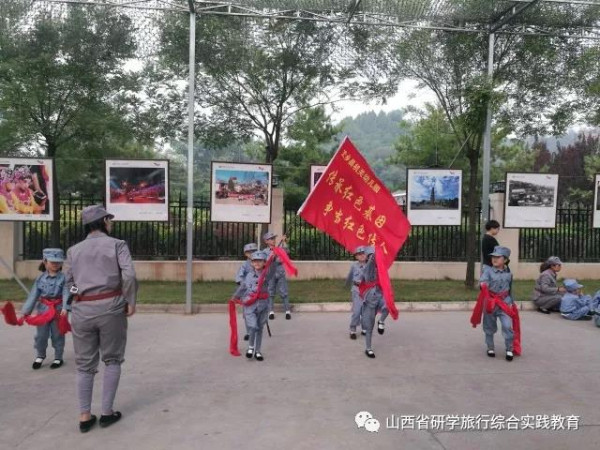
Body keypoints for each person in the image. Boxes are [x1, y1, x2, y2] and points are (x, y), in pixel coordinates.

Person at [63, 205, 137, 433]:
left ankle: (85, 416)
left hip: (82, 309)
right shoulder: (117, 245)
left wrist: (79, 291)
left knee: (85, 365)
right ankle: (106, 413)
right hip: (111, 306)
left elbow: (69, 282)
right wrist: (130, 299)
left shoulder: (73, 251)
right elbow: (129, 275)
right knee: (112, 359)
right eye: (109, 219)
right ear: (104, 221)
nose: (111, 223)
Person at [17, 248, 70, 370]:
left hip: (58, 310)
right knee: (41, 335)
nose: (56, 264)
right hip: (43, 311)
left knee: (58, 334)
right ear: (45, 262)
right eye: (52, 262)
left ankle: (58, 357)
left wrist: (66, 307)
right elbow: (33, 295)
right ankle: (40, 355)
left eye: (58, 262)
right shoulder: (40, 279)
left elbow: (67, 293)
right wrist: (25, 312)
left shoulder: (64, 278)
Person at [477, 246, 518, 361]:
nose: (494, 259)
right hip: (490, 303)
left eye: (498, 257)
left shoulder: (509, 273)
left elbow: (510, 289)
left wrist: (512, 303)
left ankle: (509, 349)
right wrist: (483, 285)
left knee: (507, 326)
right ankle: (490, 347)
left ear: (505, 260)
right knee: (489, 326)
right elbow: (483, 281)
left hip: (504, 303)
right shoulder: (487, 270)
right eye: (493, 257)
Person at [239, 250, 275, 361]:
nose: (257, 263)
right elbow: (243, 288)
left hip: (263, 305)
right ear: (251, 263)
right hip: (250, 304)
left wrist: (273, 257)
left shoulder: (266, 275)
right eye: (255, 261)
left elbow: (272, 269)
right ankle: (250, 347)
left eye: (260, 261)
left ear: (264, 262)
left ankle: (257, 351)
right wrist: (235, 297)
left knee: (260, 329)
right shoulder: (249, 275)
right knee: (253, 326)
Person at [359, 246, 389, 359]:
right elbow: (373, 261)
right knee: (369, 326)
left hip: (379, 294)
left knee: (388, 306)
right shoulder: (368, 267)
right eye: (370, 255)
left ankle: (381, 322)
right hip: (370, 298)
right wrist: (374, 255)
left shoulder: (379, 266)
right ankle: (368, 348)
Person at [263, 231, 291, 320]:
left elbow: (287, 252)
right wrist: (271, 256)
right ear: (266, 241)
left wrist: (284, 242)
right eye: (271, 239)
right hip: (270, 273)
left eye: (274, 238)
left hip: (280, 272)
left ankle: (287, 311)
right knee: (270, 292)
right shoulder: (264, 252)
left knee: (284, 291)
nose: (274, 240)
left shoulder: (280, 248)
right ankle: (271, 311)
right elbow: (265, 262)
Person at [234, 243, 258, 341]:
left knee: (258, 311)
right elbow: (239, 276)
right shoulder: (244, 265)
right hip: (247, 292)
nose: (252, 254)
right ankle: (249, 332)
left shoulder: (260, 263)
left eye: (254, 251)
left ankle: (256, 328)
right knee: (247, 313)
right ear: (245, 254)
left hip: (258, 291)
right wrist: (242, 282)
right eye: (249, 252)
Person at [346, 246, 367, 340]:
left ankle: (365, 328)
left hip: (367, 291)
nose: (362, 255)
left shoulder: (370, 265)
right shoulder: (354, 266)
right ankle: (353, 329)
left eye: (363, 253)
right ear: (356, 257)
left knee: (366, 312)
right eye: (359, 254)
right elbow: (350, 277)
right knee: (357, 311)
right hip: (357, 290)